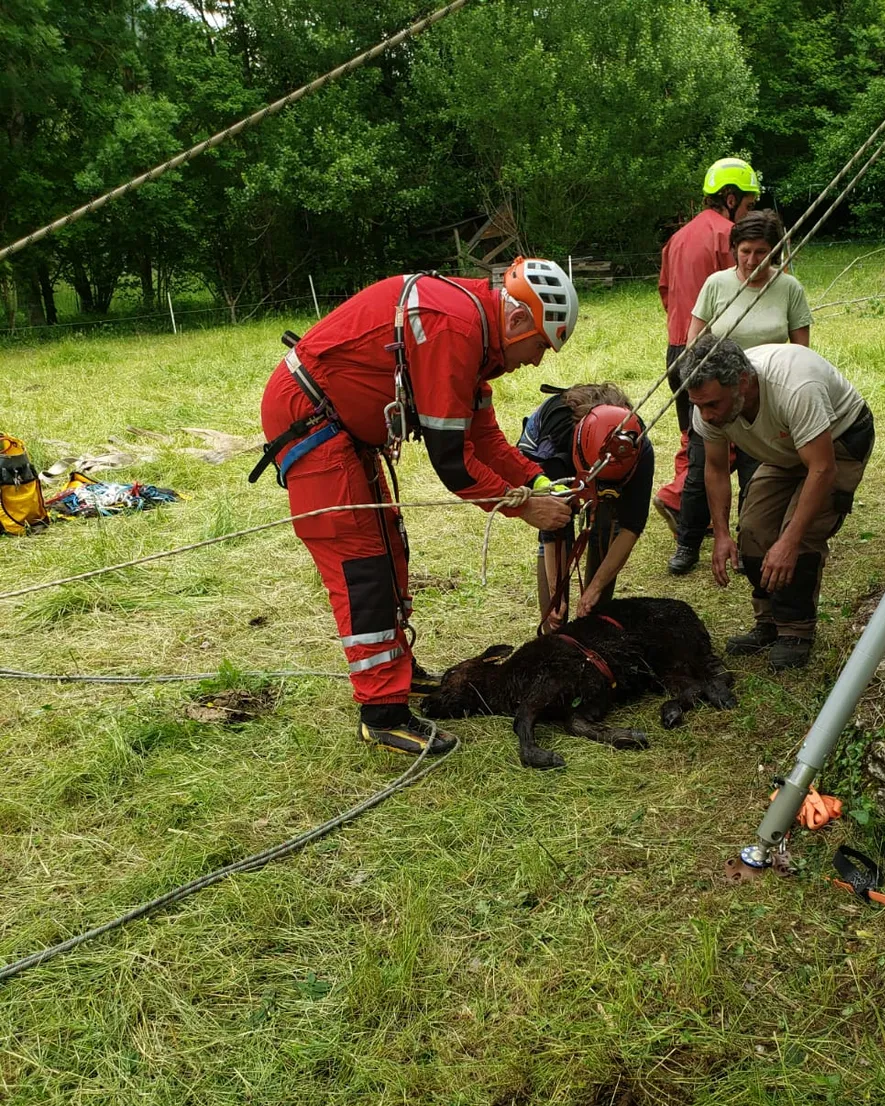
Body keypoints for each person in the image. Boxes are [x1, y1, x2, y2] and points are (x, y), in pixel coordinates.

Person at [257, 258, 578, 756]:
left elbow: (484, 439)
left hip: (340, 428)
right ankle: (382, 713)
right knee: (360, 564)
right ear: (517, 321)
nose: (537, 362)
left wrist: (537, 482)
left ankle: (398, 675)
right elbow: (454, 464)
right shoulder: (455, 327)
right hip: (313, 424)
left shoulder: (473, 330)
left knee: (387, 545)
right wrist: (526, 509)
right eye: (540, 345)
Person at [681, 333, 875, 670]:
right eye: (699, 405)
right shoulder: (707, 404)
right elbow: (715, 469)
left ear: (742, 382)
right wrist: (722, 534)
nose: (707, 416)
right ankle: (769, 622)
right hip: (784, 448)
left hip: (839, 441)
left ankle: (797, 631)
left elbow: (822, 468)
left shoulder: (795, 387)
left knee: (799, 537)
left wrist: (790, 540)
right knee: (754, 531)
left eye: (713, 404)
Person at [668, 209, 811, 577]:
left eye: (761, 252)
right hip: (716, 393)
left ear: (775, 252)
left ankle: (751, 545)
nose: (751, 260)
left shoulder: (789, 288)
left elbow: (802, 352)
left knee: (757, 474)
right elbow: (693, 342)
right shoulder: (717, 285)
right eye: (745, 251)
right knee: (702, 470)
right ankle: (688, 542)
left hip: (761, 399)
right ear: (734, 250)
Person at [654, 157, 761, 537]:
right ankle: (677, 496)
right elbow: (743, 288)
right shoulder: (729, 238)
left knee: (693, 434)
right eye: (748, 205)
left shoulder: (677, 238)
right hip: (713, 356)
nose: (749, 214)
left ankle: (684, 510)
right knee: (724, 436)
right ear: (731, 199)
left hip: (677, 350)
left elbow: (666, 292)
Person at [517, 384, 652, 627]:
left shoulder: (636, 445)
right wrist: (555, 591)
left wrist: (596, 588)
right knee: (554, 608)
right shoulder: (552, 450)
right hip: (552, 447)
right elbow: (552, 527)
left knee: (606, 523)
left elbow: (631, 525)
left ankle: (594, 623)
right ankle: (553, 635)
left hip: (596, 461)